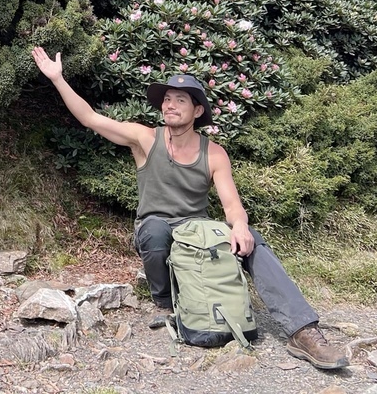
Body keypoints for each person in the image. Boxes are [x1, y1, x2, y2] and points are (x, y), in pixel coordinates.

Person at [31, 46, 349, 370]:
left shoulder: (214, 154)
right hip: (155, 227)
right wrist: (58, 79)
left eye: (180, 100)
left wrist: (239, 226)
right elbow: (90, 118)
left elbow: (232, 206)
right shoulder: (145, 138)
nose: (170, 105)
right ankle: (167, 301)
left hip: (196, 232)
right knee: (154, 231)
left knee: (251, 238)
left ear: (197, 111)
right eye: (167, 99)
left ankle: (302, 331)